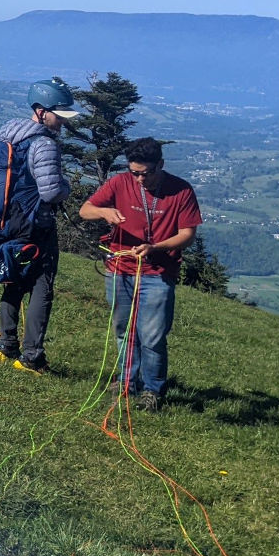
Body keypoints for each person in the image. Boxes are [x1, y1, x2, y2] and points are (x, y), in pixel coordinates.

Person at [80, 137, 203, 411]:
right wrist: (104, 212)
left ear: (160, 164)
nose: (138, 180)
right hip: (119, 270)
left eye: (145, 174)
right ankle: (126, 382)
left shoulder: (180, 190)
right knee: (124, 330)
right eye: (133, 173)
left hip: (158, 273)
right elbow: (85, 210)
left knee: (152, 336)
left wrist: (155, 248)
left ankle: (153, 389)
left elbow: (187, 235)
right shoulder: (119, 182)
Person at [0, 80, 78, 375]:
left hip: (8, 220)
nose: (62, 124)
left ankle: (6, 345)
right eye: (59, 116)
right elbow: (51, 192)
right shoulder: (44, 144)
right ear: (41, 111)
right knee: (42, 286)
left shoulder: (8, 135)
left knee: (13, 280)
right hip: (36, 225)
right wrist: (66, 187)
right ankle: (32, 356)